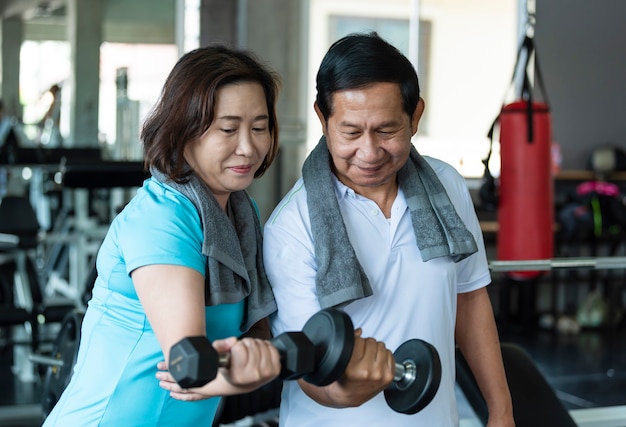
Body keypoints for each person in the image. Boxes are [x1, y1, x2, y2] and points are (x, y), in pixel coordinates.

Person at [262, 32, 515, 426]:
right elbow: (305, 363)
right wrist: (344, 391)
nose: (369, 152)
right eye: (350, 132)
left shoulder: (447, 188)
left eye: (386, 131)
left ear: (415, 117)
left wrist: (501, 412)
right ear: (322, 119)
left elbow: (470, 302)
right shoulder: (290, 226)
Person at [44, 45, 283, 426]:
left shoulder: (242, 214)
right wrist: (255, 363)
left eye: (259, 127)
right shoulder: (161, 217)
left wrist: (261, 356)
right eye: (228, 129)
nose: (248, 146)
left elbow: (257, 336)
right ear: (184, 130)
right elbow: (190, 362)